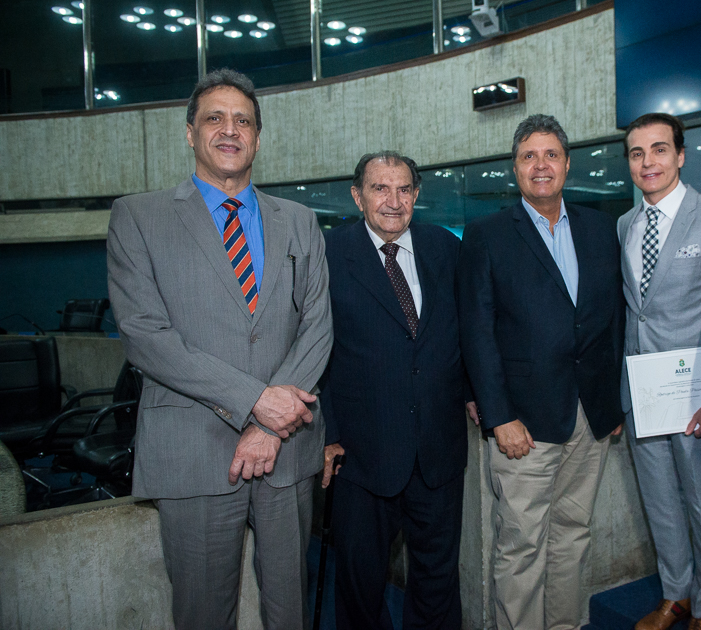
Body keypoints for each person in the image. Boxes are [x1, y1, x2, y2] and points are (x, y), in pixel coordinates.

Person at [106, 68, 333, 630]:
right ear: (190, 132)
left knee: (290, 612)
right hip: (194, 451)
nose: (230, 130)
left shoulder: (300, 221)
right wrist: (256, 401)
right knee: (203, 613)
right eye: (215, 118)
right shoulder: (139, 217)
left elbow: (318, 326)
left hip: (288, 451)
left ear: (258, 137)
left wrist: (269, 424)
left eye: (243, 121)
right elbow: (144, 335)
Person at [458, 114, 625, 630]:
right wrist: (497, 415)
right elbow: (476, 333)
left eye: (551, 154)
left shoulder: (600, 229)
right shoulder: (487, 235)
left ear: (568, 164)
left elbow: (612, 322)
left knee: (573, 532)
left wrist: (612, 404)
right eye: (529, 156)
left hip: (589, 417)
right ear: (515, 168)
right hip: (523, 424)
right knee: (522, 542)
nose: (541, 165)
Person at [319, 151, 474, 630]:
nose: (393, 200)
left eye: (404, 189)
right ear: (357, 195)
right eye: (380, 189)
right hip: (360, 456)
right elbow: (310, 349)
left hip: (438, 450)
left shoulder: (444, 248)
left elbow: (465, 332)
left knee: (437, 580)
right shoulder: (327, 255)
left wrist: (474, 391)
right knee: (361, 586)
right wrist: (325, 432)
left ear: (417, 195)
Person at [618, 113, 701, 630]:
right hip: (642, 394)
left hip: (694, 395)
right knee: (660, 503)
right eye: (637, 153)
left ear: (681, 155)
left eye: (659, 150)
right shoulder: (625, 225)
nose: (648, 162)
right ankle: (677, 594)